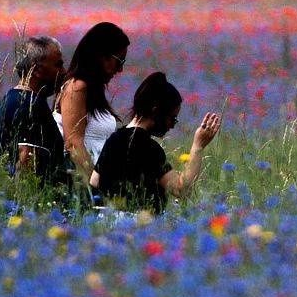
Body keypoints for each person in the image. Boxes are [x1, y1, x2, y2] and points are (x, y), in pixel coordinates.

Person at [92, 71, 221, 214]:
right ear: (155, 111)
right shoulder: (149, 149)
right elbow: (181, 189)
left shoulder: (113, 139)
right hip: (140, 226)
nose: (172, 125)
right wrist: (198, 146)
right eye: (172, 119)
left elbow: (94, 182)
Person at [56, 21, 129, 195]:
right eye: (119, 61)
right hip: (81, 186)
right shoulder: (77, 87)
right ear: (101, 56)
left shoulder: (92, 91)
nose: (120, 69)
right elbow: (73, 143)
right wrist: (95, 189)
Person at [0, 35, 62, 177]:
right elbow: (25, 161)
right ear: (36, 70)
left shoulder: (9, 99)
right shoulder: (28, 106)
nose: (63, 71)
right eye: (58, 65)